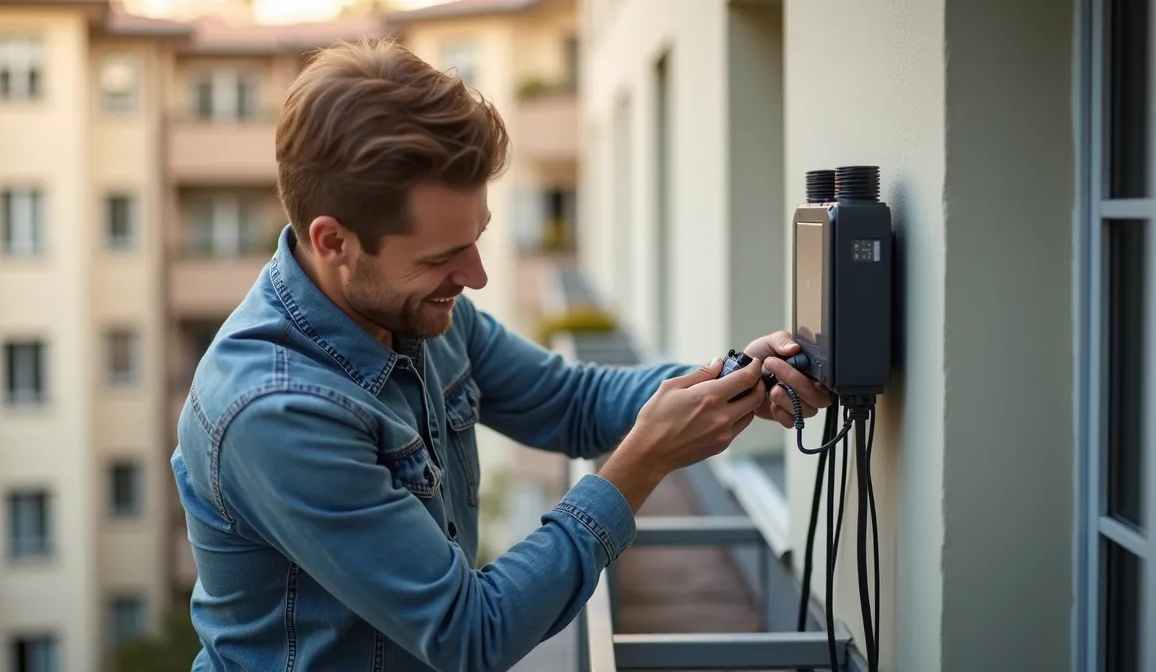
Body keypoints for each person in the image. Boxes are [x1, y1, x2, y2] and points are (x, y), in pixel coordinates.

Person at [170, 37, 832, 672]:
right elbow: (469, 635)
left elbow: (571, 402)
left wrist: (739, 379)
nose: (477, 276)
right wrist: (641, 464)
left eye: (477, 236)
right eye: (441, 257)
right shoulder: (275, 412)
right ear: (333, 240)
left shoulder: (420, 312)